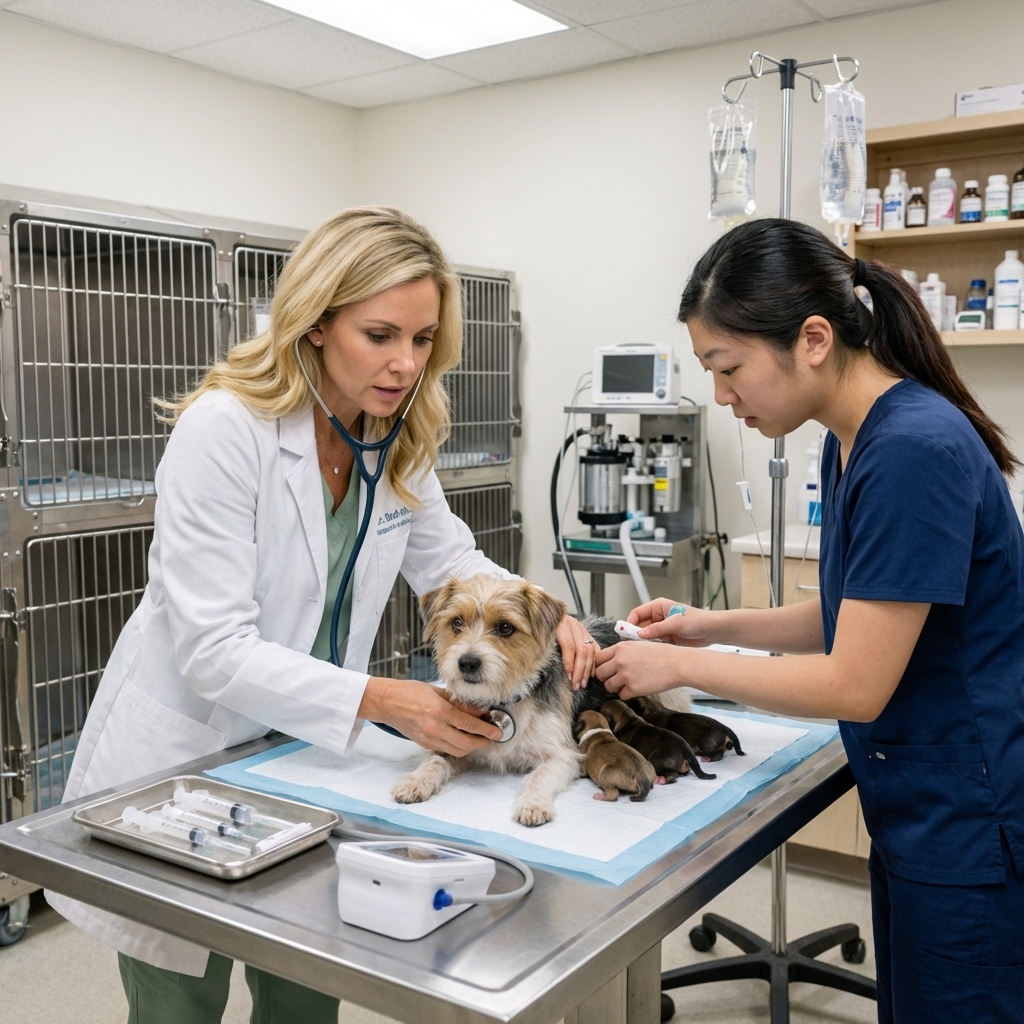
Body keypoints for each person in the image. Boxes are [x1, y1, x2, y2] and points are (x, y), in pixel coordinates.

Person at [48, 207, 596, 1023]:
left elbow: (450, 559)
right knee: (179, 997)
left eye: (422, 340)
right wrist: (383, 699)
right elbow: (215, 651)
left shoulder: (393, 437)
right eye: (380, 335)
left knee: (308, 980)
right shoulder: (223, 431)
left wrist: (559, 618)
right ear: (314, 324)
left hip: (306, 752)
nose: (405, 363)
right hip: (190, 752)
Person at [593, 219, 1024, 1024]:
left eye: (729, 368)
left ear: (814, 338)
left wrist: (679, 668)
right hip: (922, 804)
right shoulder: (852, 440)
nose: (722, 396)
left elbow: (854, 682)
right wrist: (704, 623)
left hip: (971, 819)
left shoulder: (912, 450)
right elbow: (851, 612)